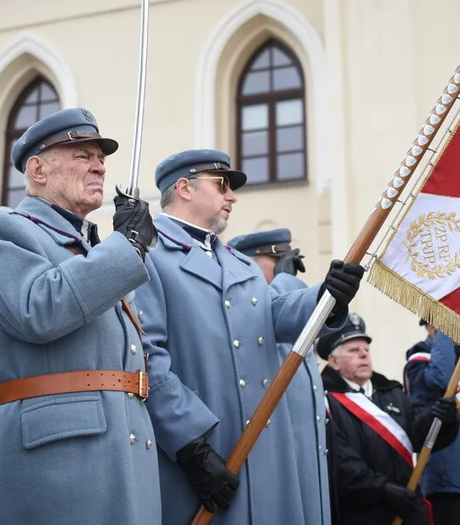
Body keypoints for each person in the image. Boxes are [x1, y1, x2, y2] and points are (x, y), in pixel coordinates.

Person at [134, 149, 363, 525]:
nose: (232, 196)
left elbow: (270, 318)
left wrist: (324, 298)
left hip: (264, 452)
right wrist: (191, 446)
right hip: (206, 450)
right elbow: (146, 358)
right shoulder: (149, 256)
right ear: (184, 189)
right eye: (222, 185)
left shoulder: (239, 264)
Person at [0, 107, 161, 524]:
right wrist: (126, 246)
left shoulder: (92, 251)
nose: (99, 167)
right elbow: (38, 309)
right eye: (82, 155)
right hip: (59, 462)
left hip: (120, 459)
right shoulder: (2, 229)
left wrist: (118, 248)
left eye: (101, 158)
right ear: (37, 169)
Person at [228, 228, 331, 525]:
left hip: (309, 472)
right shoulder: (242, 304)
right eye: (273, 258)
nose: (283, 265)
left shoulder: (287, 304)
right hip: (274, 475)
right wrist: (285, 281)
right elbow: (259, 323)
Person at [321, 314, 459, 525]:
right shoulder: (326, 401)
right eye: (353, 350)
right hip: (361, 515)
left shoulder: (390, 391)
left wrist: (442, 418)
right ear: (334, 361)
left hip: (406, 510)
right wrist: (383, 489)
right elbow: (342, 462)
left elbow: (420, 430)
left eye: (366, 350)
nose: (364, 355)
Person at [405, 321, 460, 525]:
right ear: (431, 326)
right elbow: (442, 381)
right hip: (445, 484)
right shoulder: (420, 359)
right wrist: (444, 331)